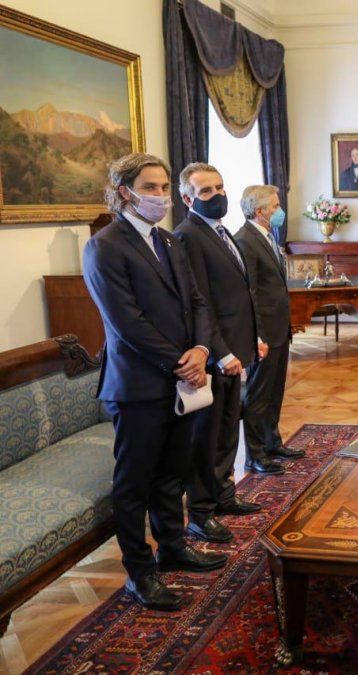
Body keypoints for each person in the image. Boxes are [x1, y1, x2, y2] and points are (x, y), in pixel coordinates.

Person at [82, 153, 227, 611]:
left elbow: (200, 303)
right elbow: (126, 321)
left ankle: (173, 548)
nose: (161, 196)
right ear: (125, 191)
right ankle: (139, 574)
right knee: (135, 483)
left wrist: (202, 351)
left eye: (165, 187)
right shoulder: (105, 246)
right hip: (138, 385)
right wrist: (180, 362)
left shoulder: (170, 241)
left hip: (183, 379)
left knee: (172, 473)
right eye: (151, 187)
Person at [174, 163, 264, 544]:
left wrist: (252, 339)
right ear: (187, 198)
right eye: (206, 191)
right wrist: (222, 352)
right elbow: (201, 304)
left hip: (237, 349)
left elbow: (240, 294)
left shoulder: (221, 230)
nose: (218, 195)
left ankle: (224, 495)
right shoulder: (188, 236)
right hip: (214, 355)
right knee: (207, 439)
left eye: (220, 187)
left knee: (229, 429)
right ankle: (201, 513)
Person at [235, 185, 305, 474]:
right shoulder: (245, 240)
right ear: (260, 211)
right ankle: (255, 455)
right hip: (264, 333)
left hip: (279, 329)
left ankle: (272, 442)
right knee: (257, 395)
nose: (279, 212)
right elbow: (248, 292)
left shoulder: (266, 236)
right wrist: (257, 335)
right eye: (275, 207)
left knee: (274, 392)